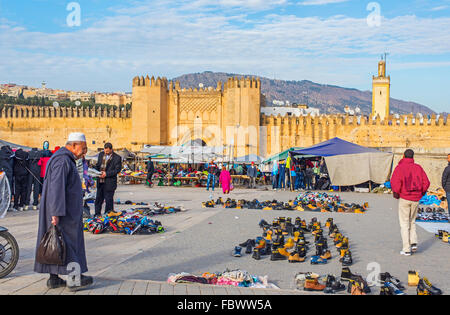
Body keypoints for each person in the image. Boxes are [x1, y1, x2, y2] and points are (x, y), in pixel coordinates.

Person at [34, 132, 93, 291]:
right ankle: (75, 280)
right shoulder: (63, 161)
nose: (84, 152)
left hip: (59, 211)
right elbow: (56, 188)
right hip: (63, 213)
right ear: (74, 145)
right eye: (83, 148)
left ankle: (54, 279)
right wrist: (56, 213)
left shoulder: (63, 159)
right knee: (70, 244)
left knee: (56, 243)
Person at [391, 149, 430, 256]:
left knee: (404, 223)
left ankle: (406, 248)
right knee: (412, 221)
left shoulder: (400, 168)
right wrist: (420, 192)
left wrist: (397, 193)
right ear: (413, 157)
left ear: (403, 156)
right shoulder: (418, 168)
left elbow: (395, 182)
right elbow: (426, 182)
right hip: (415, 199)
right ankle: (413, 242)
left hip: (405, 197)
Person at [94, 143, 122, 217]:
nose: (106, 152)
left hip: (109, 182)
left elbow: (117, 170)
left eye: (107, 151)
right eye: (105, 151)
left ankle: (108, 214)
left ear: (111, 149)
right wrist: (95, 172)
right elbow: (98, 165)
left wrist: (106, 174)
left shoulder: (117, 157)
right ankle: (97, 213)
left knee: (108, 199)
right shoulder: (100, 155)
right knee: (98, 199)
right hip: (100, 181)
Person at [442, 154, 450, 220]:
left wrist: (445, 187)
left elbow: (443, 179)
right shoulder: (447, 168)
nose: (447, 159)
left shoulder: (447, 168)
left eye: (448, 158)